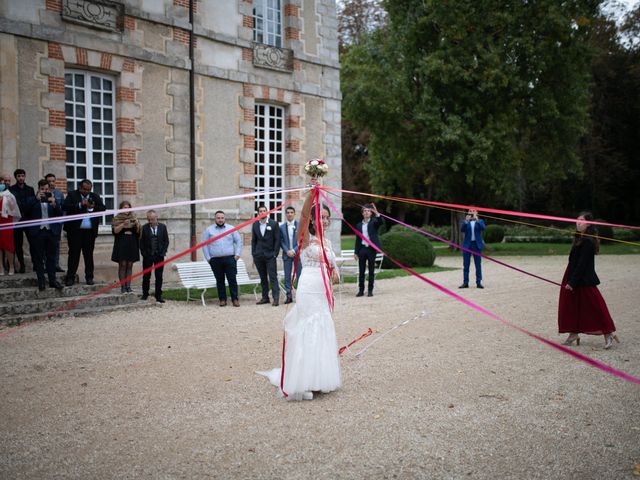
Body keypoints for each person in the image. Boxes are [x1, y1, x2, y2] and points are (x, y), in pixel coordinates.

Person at [258, 181, 341, 401]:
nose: (323, 220)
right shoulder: (304, 239)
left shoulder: (328, 242)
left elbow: (331, 266)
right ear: (313, 220)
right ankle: (303, 379)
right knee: (307, 328)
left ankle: (320, 378)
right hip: (308, 288)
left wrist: (335, 273)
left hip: (322, 290)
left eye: (326, 217)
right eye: (319, 217)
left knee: (322, 327)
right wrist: (311, 196)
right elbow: (303, 217)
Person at [558, 212, 619, 349]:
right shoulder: (579, 237)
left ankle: (608, 333)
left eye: (581, 220)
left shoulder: (588, 241)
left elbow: (582, 264)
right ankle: (573, 333)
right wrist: (570, 279)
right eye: (577, 220)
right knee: (571, 305)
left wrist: (572, 282)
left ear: (589, 223)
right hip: (573, 275)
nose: (578, 223)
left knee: (595, 306)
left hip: (583, 279)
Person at [62, 179, 106, 286]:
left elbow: (103, 208)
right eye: (85, 189)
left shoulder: (94, 196)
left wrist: (93, 207)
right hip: (75, 231)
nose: (87, 192)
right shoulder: (72, 195)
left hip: (89, 232)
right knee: (74, 254)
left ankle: (89, 277)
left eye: (89, 190)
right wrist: (80, 205)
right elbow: (65, 207)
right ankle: (70, 277)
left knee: (88, 255)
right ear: (80, 188)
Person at [22, 179, 64, 291]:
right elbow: (25, 211)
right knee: (38, 258)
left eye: (47, 189)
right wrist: (36, 199)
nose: (45, 191)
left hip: (51, 232)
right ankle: (41, 281)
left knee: (51, 258)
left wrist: (54, 204)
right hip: (37, 232)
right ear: (38, 189)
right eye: (42, 189)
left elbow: (60, 214)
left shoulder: (53, 199)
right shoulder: (32, 199)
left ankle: (52, 280)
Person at [202, 210, 242, 307]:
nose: (220, 220)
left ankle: (235, 299)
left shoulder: (231, 228)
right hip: (215, 260)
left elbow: (238, 241)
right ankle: (222, 299)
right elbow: (204, 244)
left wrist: (237, 254)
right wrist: (208, 258)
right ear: (215, 219)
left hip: (230, 259)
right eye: (218, 218)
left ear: (224, 218)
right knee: (219, 280)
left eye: (222, 218)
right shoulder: (209, 230)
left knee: (232, 279)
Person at [251, 204, 281, 306]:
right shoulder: (255, 225)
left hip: (270, 256)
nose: (262, 212)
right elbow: (253, 241)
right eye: (260, 211)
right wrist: (254, 254)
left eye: (264, 210)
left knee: (273, 277)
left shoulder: (273, 224)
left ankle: (276, 298)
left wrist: (275, 254)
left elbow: (277, 240)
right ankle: (265, 297)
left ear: (267, 212)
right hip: (259, 256)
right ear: (258, 213)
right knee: (263, 278)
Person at [140, 210, 169, 303]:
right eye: (149, 219)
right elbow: (141, 243)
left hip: (159, 256)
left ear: (156, 217)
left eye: (152, 219)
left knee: (159, 276)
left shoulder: (163, 227)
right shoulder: (144, 228)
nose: (150, 221)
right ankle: (145, 294)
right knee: (146, 276)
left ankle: (158, 295)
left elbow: (166, 241)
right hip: (148, 256)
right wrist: (144, 254)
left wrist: (163, 252)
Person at [111, 200, 140, 293]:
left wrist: (136, 224)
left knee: (130, 264)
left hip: (132, 242)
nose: (127, 209)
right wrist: (123, 224)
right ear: (121, 208)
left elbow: (138, 232)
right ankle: (123, 286)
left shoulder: (134, 217)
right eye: (125, 207)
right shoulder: (117, 218)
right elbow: (115, 231)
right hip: (121, 243)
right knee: (123, 264)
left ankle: (128, 286)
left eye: (128, 207)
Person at [9, 169, 35, 273]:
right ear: (16, 177)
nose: (21, 178)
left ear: (25, 177)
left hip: (28, 219)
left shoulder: (30, 189)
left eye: (23, 176)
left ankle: (35, 264)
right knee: (17, 244)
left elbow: (32, 203)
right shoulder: (11, 189)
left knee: (32, 242)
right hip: (17, 220)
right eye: (19, 176)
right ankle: (22, 265)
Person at [354, 203, 383, 297]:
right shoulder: (358, 225)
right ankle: (361, 290)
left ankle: (370, 290)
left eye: (368, 211)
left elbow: (381, 222)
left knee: (371, 270)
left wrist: (377, 213)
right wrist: (356, 252)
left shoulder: (374, 222)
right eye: (365, 211)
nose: (366, 212)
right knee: (361, 271)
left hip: (371, 249)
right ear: (362, 213)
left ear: (371, 213)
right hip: (362, 249)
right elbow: (358, 239)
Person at [459, 208, 486, 289]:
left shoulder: (480, 221)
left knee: (478, 265)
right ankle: (465, 282)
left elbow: (483, 228)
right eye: (470, 211)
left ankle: (478, 282)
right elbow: (462, 229)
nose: (471, 212)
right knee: (466, 265)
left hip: (476, 245)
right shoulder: (466, 221)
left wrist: (477, 220)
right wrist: (466, 222)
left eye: (473, 211)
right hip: (467, 245)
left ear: (477, 212)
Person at [0, 173, 21, 275]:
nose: (5, 183)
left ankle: (11, 267)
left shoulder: (9, 195)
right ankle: (1, 268)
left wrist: (7, 202)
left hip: (6, 221)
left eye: (7, 181)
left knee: (8, 246)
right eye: (4, 181)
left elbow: (14, 209)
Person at [280, 206, 301, 304]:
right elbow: (281, 241)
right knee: (287, 276)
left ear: (294, 213)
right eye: (288, 212)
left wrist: (294, 250)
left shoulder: (299, 226)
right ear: (285, 214)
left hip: (297, 254)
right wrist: (287, 250)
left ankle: (301, 295)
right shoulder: (282, 227)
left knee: (299, 275)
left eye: (291, 212)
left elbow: (301, 241)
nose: (289, 214)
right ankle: (289, 295)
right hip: (287, 254)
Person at [45, 173, 65, 272]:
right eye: (49, 181)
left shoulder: (59, 193)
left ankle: (56, 264)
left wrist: (61, 221)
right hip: (45, 223)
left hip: (56, 223)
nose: (51, 183)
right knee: (45, 245)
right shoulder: (42, 192)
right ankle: (46, 265)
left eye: (53, 181)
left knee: (56, 245)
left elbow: (63, 207)